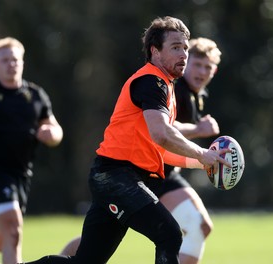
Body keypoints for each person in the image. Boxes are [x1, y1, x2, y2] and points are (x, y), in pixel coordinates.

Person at [3, 16, 229, 264]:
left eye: (185, 48)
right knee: (170, 234)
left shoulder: (165, 86)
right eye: (176, 47)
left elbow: (160, 149)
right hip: (117, 178)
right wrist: (201, 152)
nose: (183, 54)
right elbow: (162, 134)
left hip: (114, 178)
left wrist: (204, 163)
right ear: (155, 51)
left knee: (85, 262)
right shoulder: (151, 81)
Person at [59, 37, 222, 264]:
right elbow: (163, 130)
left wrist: (202, 160)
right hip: (143, 172)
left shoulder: (191, 94)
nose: (201, 71)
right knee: (175, 232)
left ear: (215, 71)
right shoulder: (169, 87)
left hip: (152, 170)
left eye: (208, 66)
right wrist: (199, 137)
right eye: (197, 63)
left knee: (92, 253)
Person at [0, 37, 63, 264]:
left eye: (15, 59)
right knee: (14, 230)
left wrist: (50, 133)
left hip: (21, 175)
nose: (11, 64)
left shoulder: (35, 95)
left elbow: (56, 130)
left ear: (22, 63)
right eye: (5, 60)